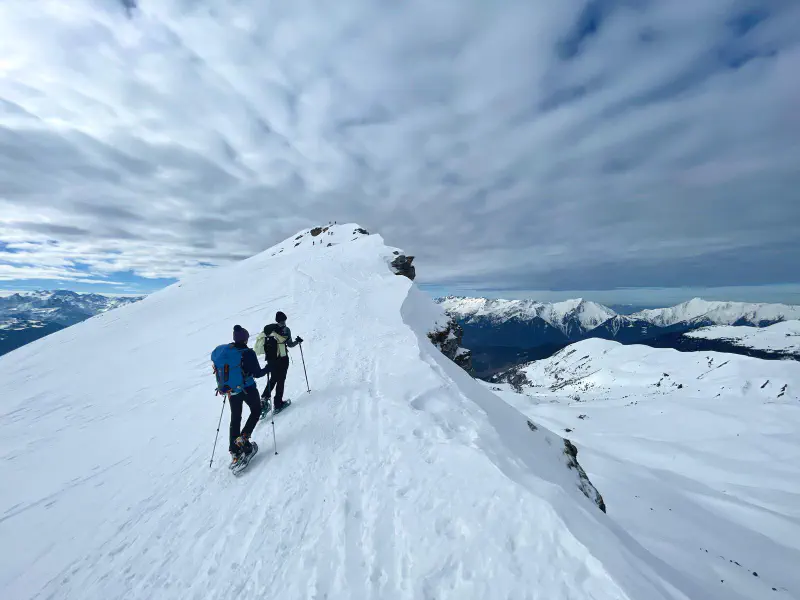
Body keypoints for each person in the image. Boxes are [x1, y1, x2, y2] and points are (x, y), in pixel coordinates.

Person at [227, 325, 270, 464]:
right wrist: (268, 368)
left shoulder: (228, 351)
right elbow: (257, 373)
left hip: (232, 391)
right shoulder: (248, 353)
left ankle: (234, 451)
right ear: (245, 338)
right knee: (256, 410)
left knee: (235, 418)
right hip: (248, 388)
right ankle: (243, 440)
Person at [261, 311, 303, 413]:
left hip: (271, 359)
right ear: (284, 319)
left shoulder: (269, 330)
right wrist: (298, 341)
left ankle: (264, 398)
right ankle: (278, 404)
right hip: (282, 359)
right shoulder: (286, 330)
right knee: (281, 380)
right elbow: (290, 345)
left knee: (273, 378)